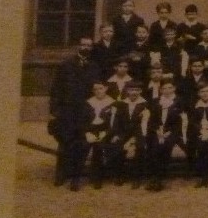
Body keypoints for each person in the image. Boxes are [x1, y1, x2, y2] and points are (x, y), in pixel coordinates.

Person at [48, 37, 100, 188]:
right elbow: (56, 88)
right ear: (79, 46)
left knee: (82, 143)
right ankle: (60, 174)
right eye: (83, 44)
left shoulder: (94, 66)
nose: (86, 47)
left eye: (89, 45)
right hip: (67, 110)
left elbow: (97, 89)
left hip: (85, 112)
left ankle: (76, 177)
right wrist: (54, 109)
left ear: (91, 48)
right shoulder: (66, 65)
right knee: (65, 143)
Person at [107, 80, 151, 188]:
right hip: (123, 132)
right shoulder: (121, 103)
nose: (134, 92)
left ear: (140, 91)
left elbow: (146, 124)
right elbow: (116, 121)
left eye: (137, 90)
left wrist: (134, 139)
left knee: (140, 148)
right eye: (131, 90)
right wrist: (116, 134)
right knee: (116, 146)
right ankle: (120, 175)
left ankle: (136, 177)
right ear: (127, 91)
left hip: (139, 132)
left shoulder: (146, 104)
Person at [145, 79, 187, 191]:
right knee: (154, 146)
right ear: (160, 90)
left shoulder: (180, 101)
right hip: (157, 130)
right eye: (164, 88)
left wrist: (169, 132)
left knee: (165, 146)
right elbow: (152, 120)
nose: (167, 90)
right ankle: (154, 176)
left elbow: (181, 121)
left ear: (174, 88)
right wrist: (156, 130)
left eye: (169, 88)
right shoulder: (155, 101)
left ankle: (159, 177)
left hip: (172, 131)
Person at [81, 80, 116, 189]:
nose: (98, 91)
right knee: (82, 146)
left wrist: (105, 133)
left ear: (105, 88)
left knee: (99, 147)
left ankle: (97, 178)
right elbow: (83, 121)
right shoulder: (88, 103)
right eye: (95, 89)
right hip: (90, 130)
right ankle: (76, 177)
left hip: (105, 130)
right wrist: (87, 133)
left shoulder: (113, 103)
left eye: (100, 88)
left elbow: (114, 123)